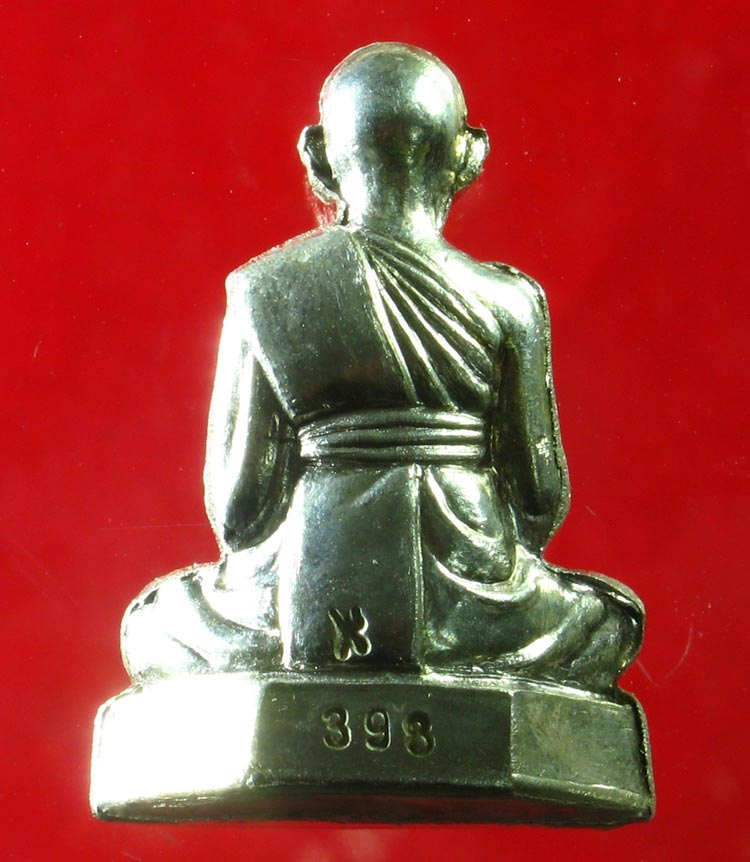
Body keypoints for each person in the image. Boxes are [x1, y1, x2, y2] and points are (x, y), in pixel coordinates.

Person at [122, 43, 643, 693]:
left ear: (317, 156)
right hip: (476, 600)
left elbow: (240, 511)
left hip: (297, 595)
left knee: (154, 626)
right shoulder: (511, 302)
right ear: (467, 155)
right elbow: (538, 499)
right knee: (608, 622)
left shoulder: (266, 287)